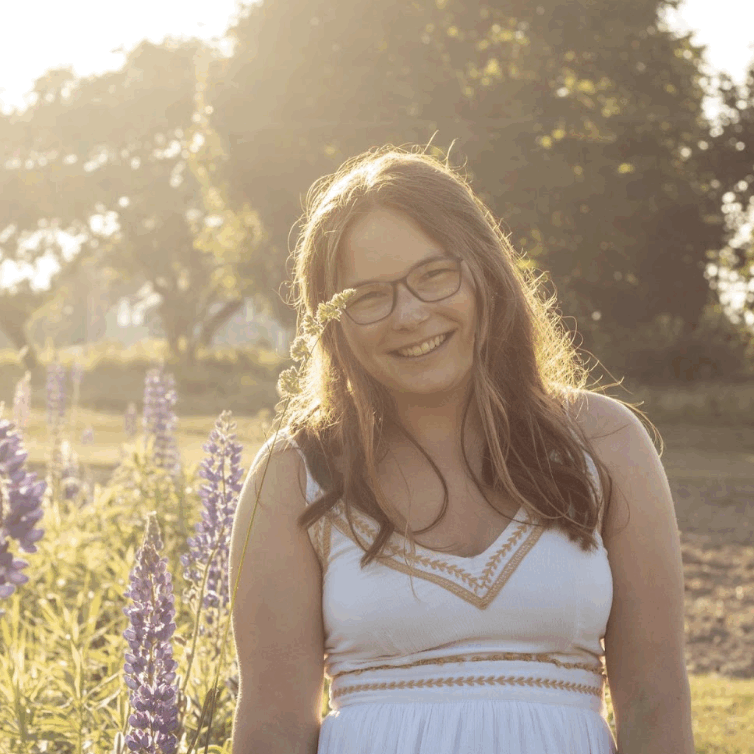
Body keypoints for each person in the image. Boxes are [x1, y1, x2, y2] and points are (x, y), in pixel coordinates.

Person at [228, 146, 695, 754]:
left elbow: (655, 696)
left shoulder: (604, 441)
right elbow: (273, 718)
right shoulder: (296, 474)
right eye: (369, 296)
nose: (410, 314)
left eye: (433, 275)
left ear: (484, 272)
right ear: (332, 321)